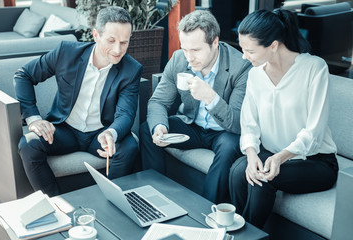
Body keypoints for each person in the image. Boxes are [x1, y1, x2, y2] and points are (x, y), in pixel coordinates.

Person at [15, 6, 142, 197]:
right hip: (64, 130)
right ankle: (55, 202)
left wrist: (111, 133)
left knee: (129, 146)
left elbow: (126, 113)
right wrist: (34, 119)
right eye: (111, 40)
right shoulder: (66, 53)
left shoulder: (131, 69)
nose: (118, 50)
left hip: (99, 133)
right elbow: (23, 75)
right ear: (96, 35)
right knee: (28, 144)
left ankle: (111, 200)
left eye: (124, 42)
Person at [229, 9, 339, 228]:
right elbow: (249, 124)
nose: (244, 56)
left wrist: (280, 158)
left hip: (315, 162)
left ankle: (246, 235)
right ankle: (240, 230)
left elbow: (313, 133)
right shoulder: (255, 74)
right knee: (238, 170)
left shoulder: (314, 68)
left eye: (249, 50)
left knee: (264, 179)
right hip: (271, 154)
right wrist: (251, 155)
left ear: (273, 45)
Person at [140, 10, 251, 203]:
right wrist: (160, 127)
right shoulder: (179, 59)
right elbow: (158, 101)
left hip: (223, 131)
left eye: (196, 50)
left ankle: (208, 209)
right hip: (192, 126)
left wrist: (210, 97)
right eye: (185, 49)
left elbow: (236, 123)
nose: (189, 57)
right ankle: (155, 196)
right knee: (147, 130)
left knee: (229, 146)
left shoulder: (240, 67)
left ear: (215, 42)